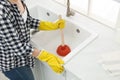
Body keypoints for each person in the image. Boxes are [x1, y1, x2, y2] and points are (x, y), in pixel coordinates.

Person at [0, 0, 65, 80]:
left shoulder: (18, 1)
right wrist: (46, 56)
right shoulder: (2, 10)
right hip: (13, 64)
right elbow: (17, 47)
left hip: (24, 56)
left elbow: (26, 21)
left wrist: (51, 25)